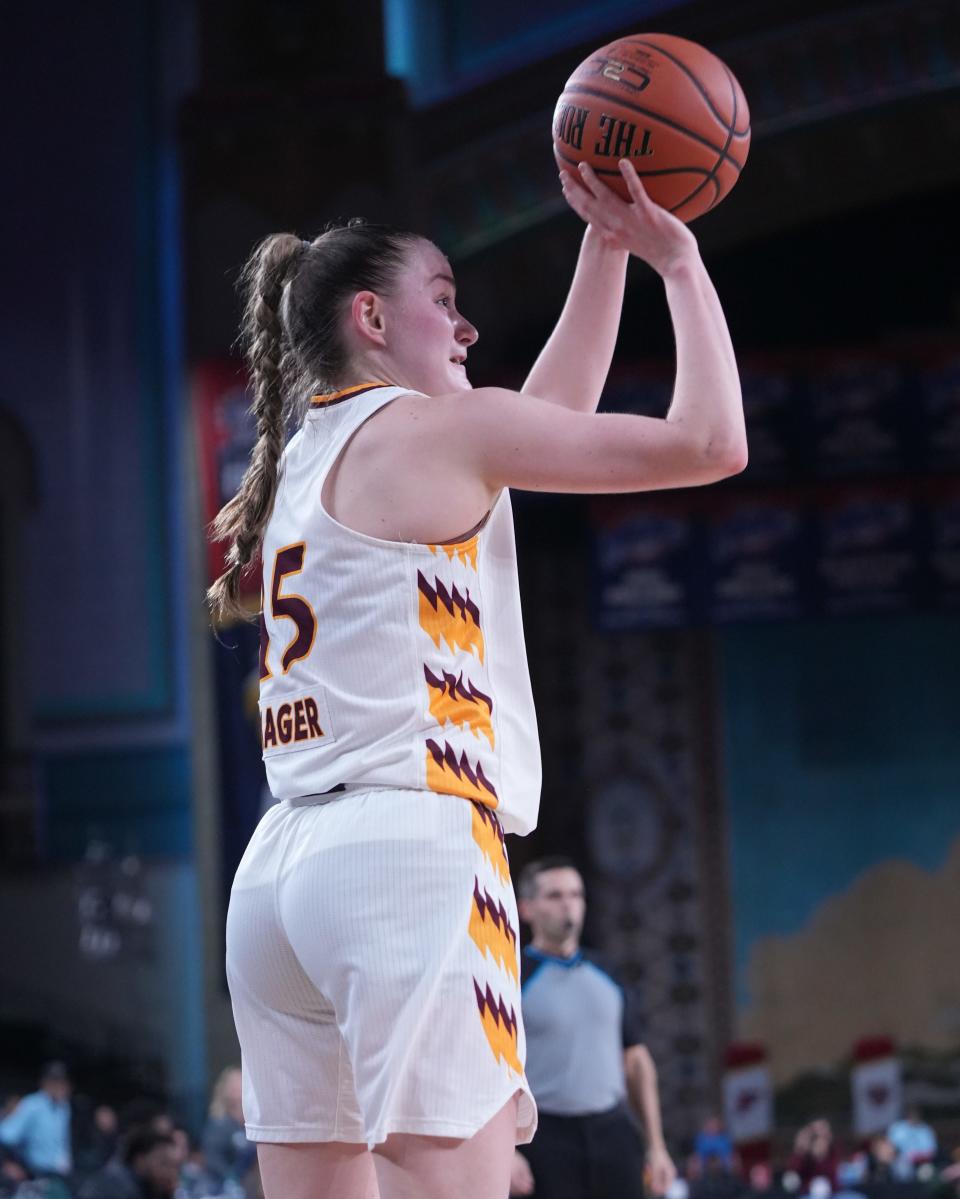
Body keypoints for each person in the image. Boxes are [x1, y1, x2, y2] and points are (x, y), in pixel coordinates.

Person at [211, 156, 747, 1199]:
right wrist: (677, 261)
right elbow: (711, 442)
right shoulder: (432, 434)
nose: (466, 329)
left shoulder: (300, 453)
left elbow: (540, 421)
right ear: (371, 315)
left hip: (279, 877)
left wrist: (603, 251)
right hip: (404, 856)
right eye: (445, 302)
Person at [509, 857, 677, 1199]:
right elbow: (491, 1071)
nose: (568, 903)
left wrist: (657, 1145)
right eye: (554, 895)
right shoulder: (511, 978)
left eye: (576, 894)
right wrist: (506, 1152)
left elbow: (636, 1061)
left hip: (612, 1132)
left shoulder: (608, 974)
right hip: (546, 1138)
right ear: (526, 909)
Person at [0, 1063, 72, 1180]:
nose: (60, 1085)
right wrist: (6, 1163)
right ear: (45, 1082)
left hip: (60, 1175)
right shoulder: (32, 1105)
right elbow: (5, 1136)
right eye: (55, 1081)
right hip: (35, 1174)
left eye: (62, 1081)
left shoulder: (64, 1107)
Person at [77, 1129, 180, 1199]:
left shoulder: (153, 1188)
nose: (171, 1173)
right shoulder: (115, 1187)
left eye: (175, 1166)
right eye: (164, 1163)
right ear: (140, 1160)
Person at [201, 1067, 257, 1191]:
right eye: (239, 1083)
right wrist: (232, 1179)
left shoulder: (252, 1123)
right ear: (228, 1091)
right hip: (223, 1187)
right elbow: (213, 1160)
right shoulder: (219, 1125)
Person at [886, 1106, 937, 1179]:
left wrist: (917, 1157)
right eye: (912, 1115)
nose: (914, 1117)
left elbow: (931, 1152)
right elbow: (889, 1147)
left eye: (916, 1115)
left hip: (921, 1163)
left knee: (927, 1171)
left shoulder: (926, 1130)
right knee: (902, 1167)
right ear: (907, 1116)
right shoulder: (897, 1128)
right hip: (899, 1161)